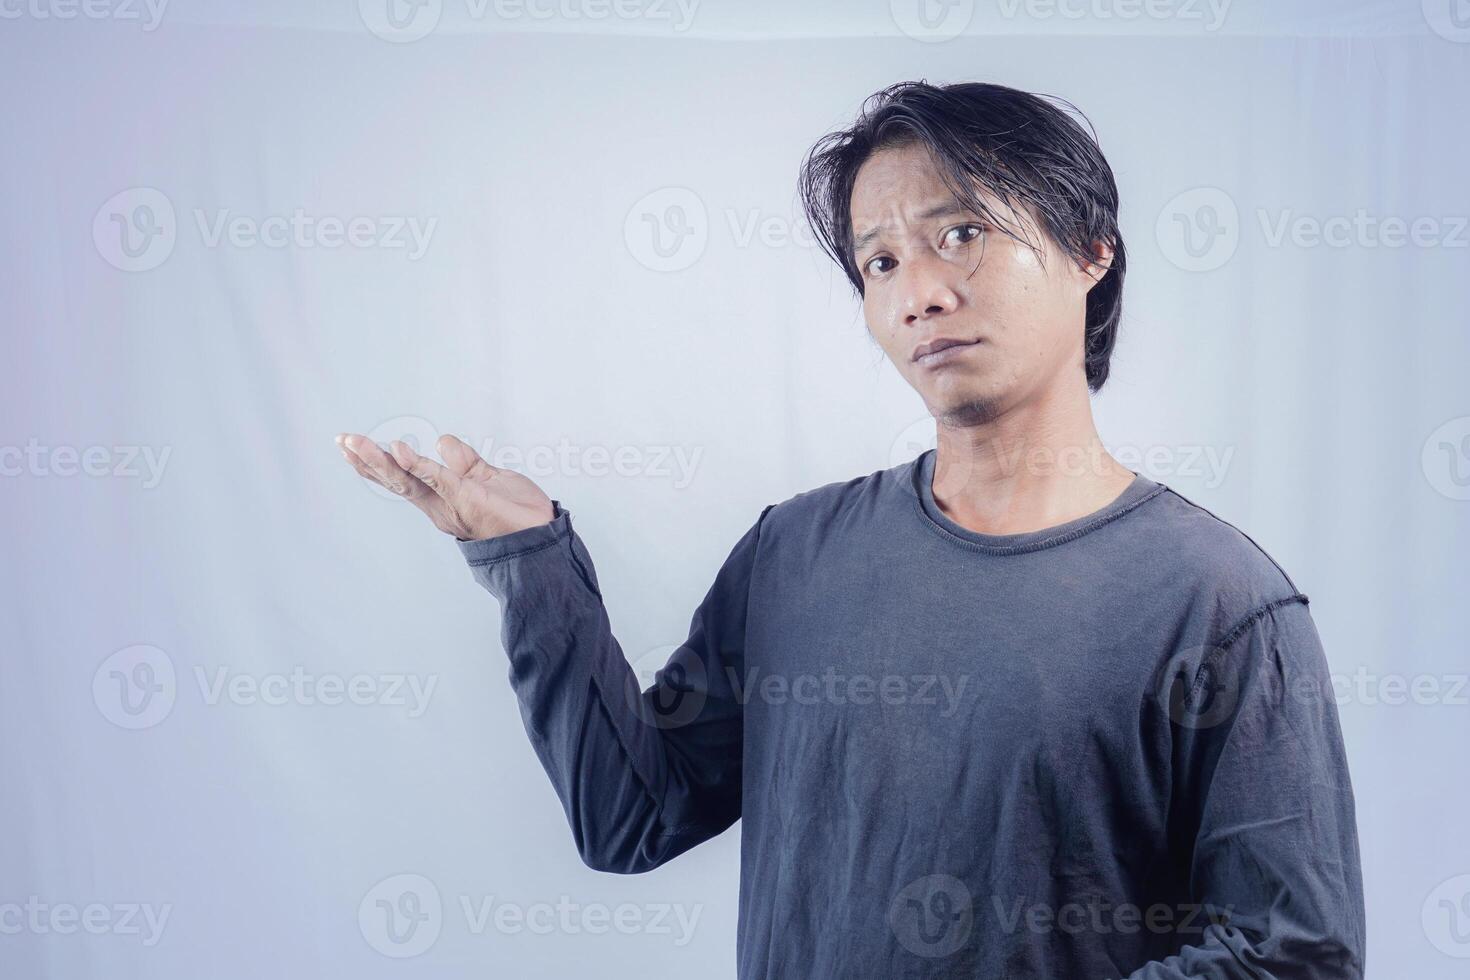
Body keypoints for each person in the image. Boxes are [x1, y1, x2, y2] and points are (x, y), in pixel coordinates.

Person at [336, 80, 1365, 978]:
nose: (920, 292)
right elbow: (633, 815)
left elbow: (1293, 951)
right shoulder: (795, 555)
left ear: (1091, 249)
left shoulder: (1218, 603)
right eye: (879, 261)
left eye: (963, 232)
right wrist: (529, 559)